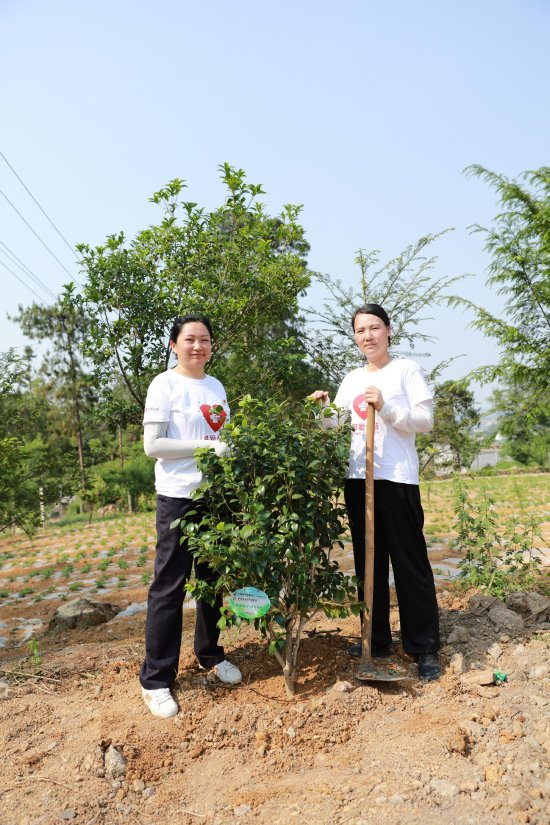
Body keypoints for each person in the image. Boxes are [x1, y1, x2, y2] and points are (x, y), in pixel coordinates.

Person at [310, 303, 441, 681]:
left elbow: (425, 421)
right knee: (369, 562)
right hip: (358, 477)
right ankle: (376, 638)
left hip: (396, 478)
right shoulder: (352, 379)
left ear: (388, 330)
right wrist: (322, 410)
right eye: (360, 330)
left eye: (374, 328)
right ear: (355, 337)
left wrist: (385, 407)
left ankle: (423, 646)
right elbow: (335, 425)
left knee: (409, 562)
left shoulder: (406, 370)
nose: (368, 336)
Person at [139, 314, 242, 718]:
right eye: (190, 340)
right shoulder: (164, 385)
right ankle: (156, 679)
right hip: (178, 496)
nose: (198, 346)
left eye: (205, 340)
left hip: (215, 496)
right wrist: (205, 448)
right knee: (170, 585)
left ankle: (210, 653)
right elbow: (153, 445)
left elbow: (223, 436)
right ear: (174, 345)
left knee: (212, 580)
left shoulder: (215, 386)